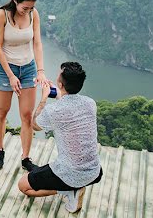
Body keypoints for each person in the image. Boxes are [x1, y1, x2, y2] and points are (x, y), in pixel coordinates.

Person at [17, 61, 103, 214]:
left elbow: (35, 125)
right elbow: (68, 102)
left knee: (23, 185)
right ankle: (72, 187)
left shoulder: (53, 111)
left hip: (69, 172)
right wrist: (55, 91)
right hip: (94, 172)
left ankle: (68, 190)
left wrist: (43, 98)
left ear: (61, 84)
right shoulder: (90, 103)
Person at [0, 0, 48, 172]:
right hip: (5, 68)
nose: (28, 11)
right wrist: (11, 75)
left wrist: (40, 70)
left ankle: (26, 158)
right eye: (25, 8)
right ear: (15, 1)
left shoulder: (34, 15)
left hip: (28, 68)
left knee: (26, 115)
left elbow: (37, 43)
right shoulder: (1, 15)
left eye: (31, 8)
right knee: (2, 111)